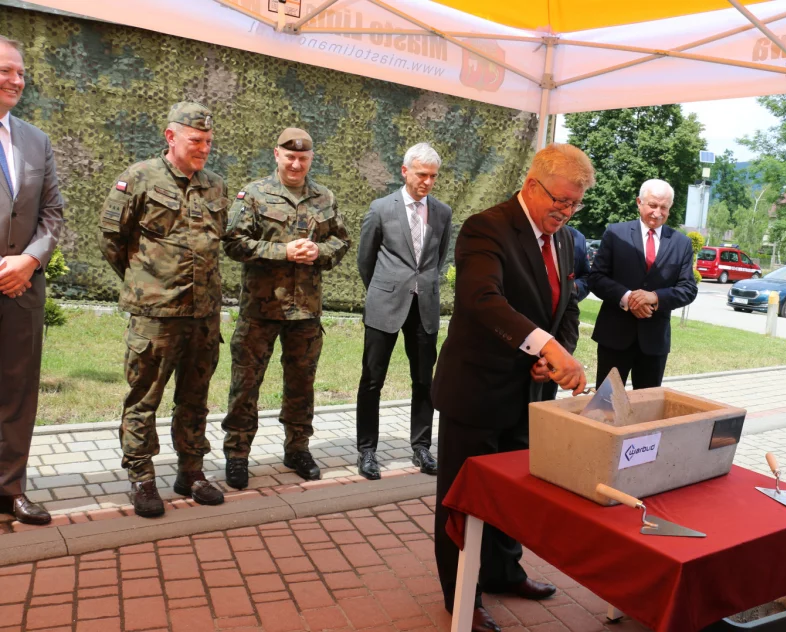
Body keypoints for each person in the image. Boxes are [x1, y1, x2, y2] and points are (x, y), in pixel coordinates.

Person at [432, 143, 593, 632]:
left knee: (513, 494)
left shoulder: (566, 239)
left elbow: (566, 305)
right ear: (531, 185)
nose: (566, 213)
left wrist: (553, 355)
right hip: (476, 393)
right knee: (464, 501)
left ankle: (504, 572)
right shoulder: (486, 227)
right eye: (560, 201)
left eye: (575, 204)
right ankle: (463, 596)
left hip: (529, 396)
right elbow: (482, 299)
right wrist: (547, 346)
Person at [98, 101, 229, 518]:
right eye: (196, 140)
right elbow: (112, 239)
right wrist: (145, 281)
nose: (204, 148)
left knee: (195, 398)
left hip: (204, 314)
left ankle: (191, 471)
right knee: (144, 398)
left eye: (208, 141)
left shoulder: (216, 186)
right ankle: (141, 477)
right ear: (171, 136)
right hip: (156, 314)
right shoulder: (139, 178)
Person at [221, 128, 350, 488]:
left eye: (303, 158)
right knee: (246, 384)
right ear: (276, 154)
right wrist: (283, 251)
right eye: (290, 156)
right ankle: (237, 454)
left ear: (311, 159)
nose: (296, 164)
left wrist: (319, 251)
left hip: (305, 312)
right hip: (261, 311)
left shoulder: (324, 197)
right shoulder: (254, 194)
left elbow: (341, 240)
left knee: (301, 385)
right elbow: (233, 242)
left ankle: (297, 449)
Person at [355, 142, 452, 480]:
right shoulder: (381, 208)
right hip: (384, 305)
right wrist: (384, 289)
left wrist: (420, 285)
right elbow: (365, 259)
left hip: (424, 306)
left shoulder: (442, 212)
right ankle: (367, 450)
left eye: (433, 176)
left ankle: (421, 446)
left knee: (424, 380)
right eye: (422, 174)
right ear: (405, 171)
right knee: (372, 380)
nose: (427, 182)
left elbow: (438, 259)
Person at [0, 35, 64, 525]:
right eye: (6, 70)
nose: (17, 80)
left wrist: (29, 261)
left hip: (22, 290)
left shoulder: (35, 140)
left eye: (21, 72)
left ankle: (11, 489)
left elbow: (52, 213)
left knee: (17, 394)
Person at [589, 179, 697, 389]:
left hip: (654, 342)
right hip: (614, 337)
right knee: (607, 401)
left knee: (648, 404)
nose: (657, 213)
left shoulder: (681, 243)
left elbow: (688, 289)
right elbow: (596, 278)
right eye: (653, 205)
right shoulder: (615, 233)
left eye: (664, 207)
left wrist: (655, 297)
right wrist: (629, 298)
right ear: (639, 202)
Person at [539, 223, 590, 401]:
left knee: (545, 406)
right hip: (517, 346)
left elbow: (585, 277)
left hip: (556, 346)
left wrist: (563, 353)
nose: (568, 211)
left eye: (575, 208)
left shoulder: (574, 237)